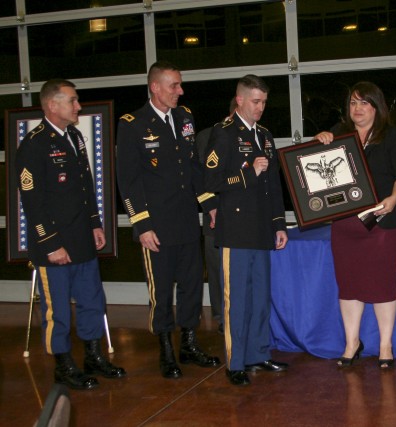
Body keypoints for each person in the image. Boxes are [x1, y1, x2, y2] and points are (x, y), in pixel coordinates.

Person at [15, 79, 126, 390]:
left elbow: (84, 187)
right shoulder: (34, 145)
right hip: (54, 247)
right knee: (58, 309)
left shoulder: (75, 137)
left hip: (82, 240)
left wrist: (95, 223)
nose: (79, 107)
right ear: (53, 105)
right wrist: (51, 244)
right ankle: (63, 364)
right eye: (73, 101)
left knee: (93, 301)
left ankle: (94, 356)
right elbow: (32, 201)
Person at [116, 61, 220, 379]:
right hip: (156, 226)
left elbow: (193, 167)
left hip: (187, 219)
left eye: (180, 84)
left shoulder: (184, 116)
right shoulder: (133, 123)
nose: (180, 91)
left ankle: (189, 344)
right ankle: (166, 349)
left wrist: (209, 203)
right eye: (174, 85)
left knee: (190, 285)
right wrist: (142, 224)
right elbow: (128, 180)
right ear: (155, 87)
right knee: (161, 291)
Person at [314, 81, 396, 369]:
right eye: (353, 103)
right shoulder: (338, 133)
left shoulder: (392, 137)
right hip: (346, 225)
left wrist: (394, 198)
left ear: (376, 107)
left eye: (363, 103)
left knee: (382, 284)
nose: (357, 109)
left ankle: (385, 345)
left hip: (384, 221)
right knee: (349, 285)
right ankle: (351, 343)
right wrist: (319, 139)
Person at [204, 74, 289, 386]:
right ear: (239, 100)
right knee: (236, 300)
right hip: (236, 231)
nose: (261, 107)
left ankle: (258, 353)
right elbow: (211, 182)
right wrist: (248, 173)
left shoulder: (265, 136)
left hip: (262, 230)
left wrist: (279, 224)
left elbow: (274, 188)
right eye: (255, 101)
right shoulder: (223, 133)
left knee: (259, 297)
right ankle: (235, 362)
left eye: (264, 102)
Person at [195, 98, 237, 335]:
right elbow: (200, 178)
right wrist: (210, 208)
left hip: (242, 218)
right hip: (215, 217)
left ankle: (239, 313)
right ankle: (221, 316)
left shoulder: (251, 137)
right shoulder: (207, 136)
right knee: (216, 269)